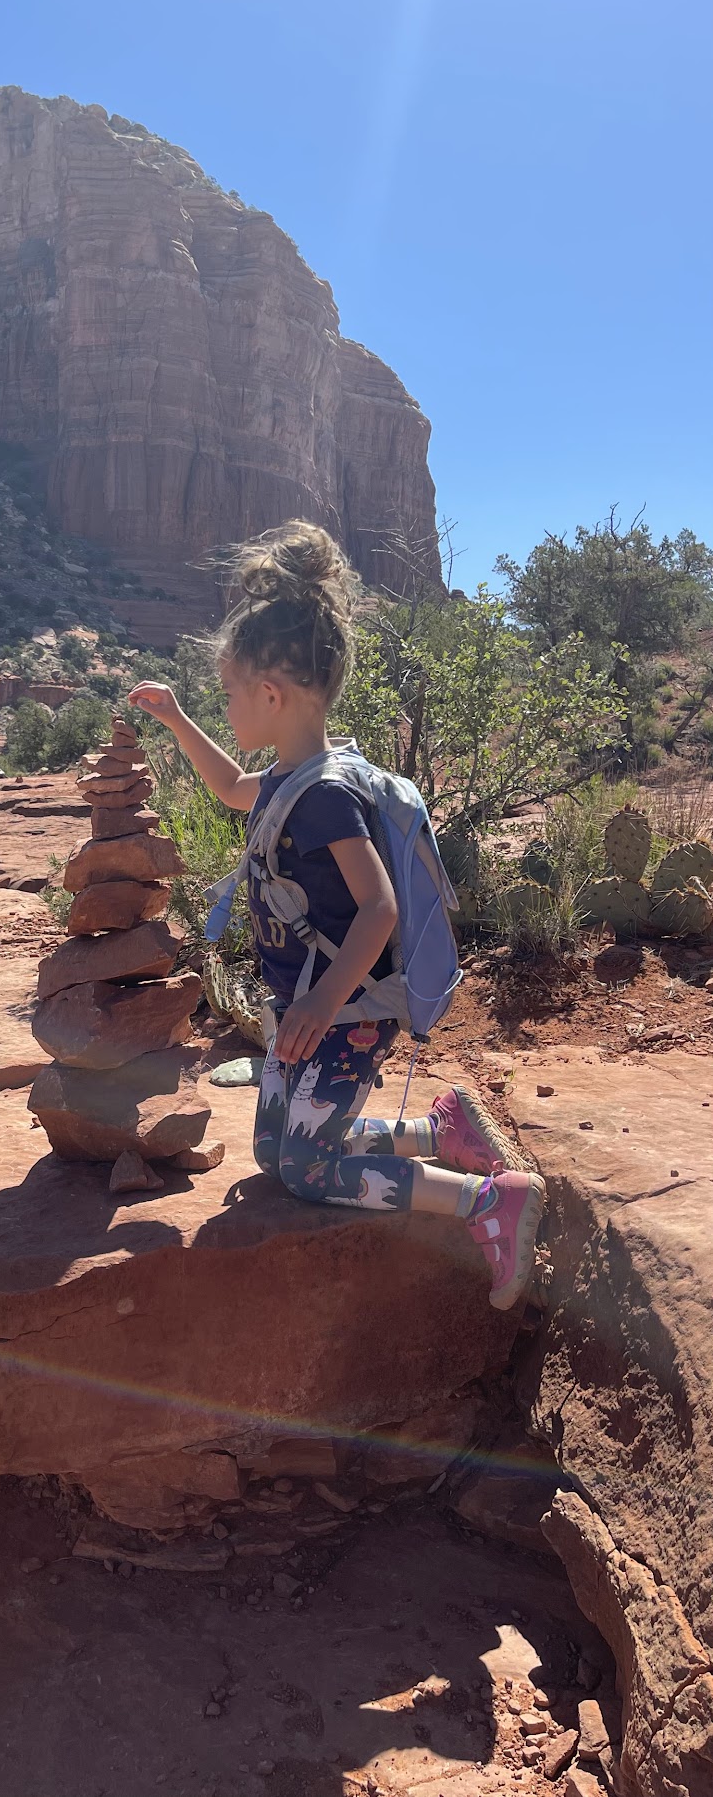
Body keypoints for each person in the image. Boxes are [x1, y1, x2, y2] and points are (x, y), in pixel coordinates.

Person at [129, 519, 546, 1313]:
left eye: (225, 696)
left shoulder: (325, 795)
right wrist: (180, 719)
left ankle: (490, 1202)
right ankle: (441, 1131)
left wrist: (323, 1005)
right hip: (304, 1010)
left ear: (272, 694)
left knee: (310, 1170)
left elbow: (380, 906)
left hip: (346, 1013)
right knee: (271, 1155)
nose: (225, 708)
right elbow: (228, 789)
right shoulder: (295, 777)